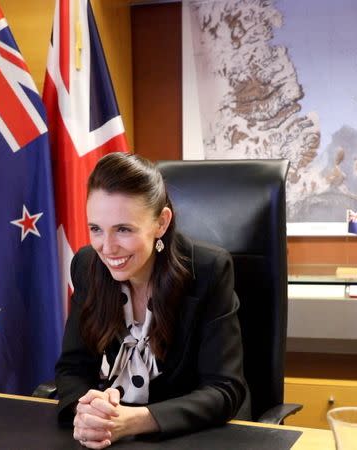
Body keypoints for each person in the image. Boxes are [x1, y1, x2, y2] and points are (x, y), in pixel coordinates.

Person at [55, 153, 250, 448]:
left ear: (161, 223)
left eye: (123, 229)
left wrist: (133, 420)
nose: (107, 248)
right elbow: (72, 368)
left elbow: (224, 390)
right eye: (96, 228)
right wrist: (87, 411)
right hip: (111, 436)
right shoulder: (87, 265)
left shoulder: (209, 271)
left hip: (189, 437)